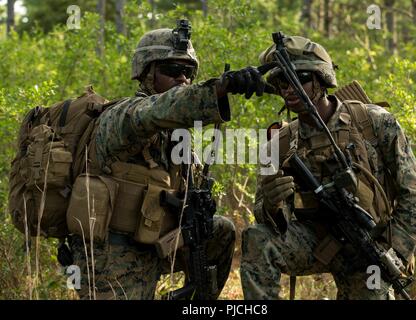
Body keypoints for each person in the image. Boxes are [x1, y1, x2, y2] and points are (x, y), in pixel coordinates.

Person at [68, 20, 270, 300]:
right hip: (110, 254)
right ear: (146, 73)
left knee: (220, 230)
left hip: (153, 243)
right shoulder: (124, 116)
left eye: (188, 72)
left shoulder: (177, 137)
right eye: (172, 71)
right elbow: (159, 109)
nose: (182, 79)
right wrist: (221, 88)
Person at [240, 35, 416, 300]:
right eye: (282, 82)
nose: (290, 89)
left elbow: (414, 194)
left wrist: (395, 252)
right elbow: (264, 214)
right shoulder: (279, 144)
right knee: (257, 238)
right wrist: (272, 205)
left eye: (300, 78)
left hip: (370, 244)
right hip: (314, 240)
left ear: (321, 79)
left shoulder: (372, 122)